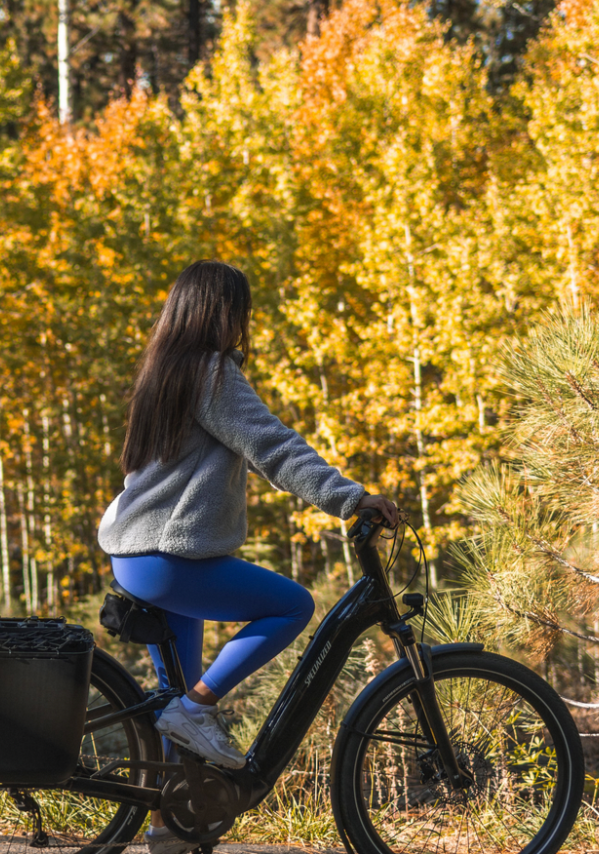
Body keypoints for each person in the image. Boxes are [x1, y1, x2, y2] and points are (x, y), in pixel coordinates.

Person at [98, 260, 397, 854]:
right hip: (168, 558)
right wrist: (349, 498)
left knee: (173, 701)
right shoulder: (210, 372)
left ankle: (168, 830)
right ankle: (199, 708)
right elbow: (273, 446)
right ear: (222, 312)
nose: (243, 323)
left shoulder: (162, 373)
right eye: (240, 311)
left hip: (137, 557)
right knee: (291, 606)